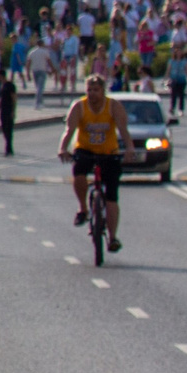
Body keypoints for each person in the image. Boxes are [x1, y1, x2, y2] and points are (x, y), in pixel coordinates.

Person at [58, 74, 134, 249]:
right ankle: (83, 209)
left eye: (96, 90)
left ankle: (113, 238)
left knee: (112, 196)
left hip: (109, 152)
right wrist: (62, 148)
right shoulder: (79, 107)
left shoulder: (113, 106)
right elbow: (69, 131)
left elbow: (123, 130)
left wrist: (129, 148)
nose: (92, 94)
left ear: (103, 91)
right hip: (85, 149)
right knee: (79, 173)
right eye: (89, 90)